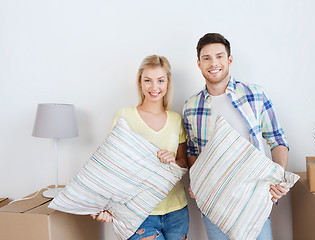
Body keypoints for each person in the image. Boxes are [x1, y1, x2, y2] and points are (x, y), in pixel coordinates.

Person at [183, 33, 289, 240]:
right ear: (199, 64)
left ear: (229, 60)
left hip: (255, 199)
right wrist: (197, 182)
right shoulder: (191, 106)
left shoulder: (255, 94)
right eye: (206, 58)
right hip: (214, 203)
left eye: (219, 56)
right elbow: (193, 152)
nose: (213, 63)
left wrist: (279, 177)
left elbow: (277, 139)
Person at [92, 55, 189, 240]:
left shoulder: (176, 119)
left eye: (160, 80)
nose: (154, 87)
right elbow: (110, 165)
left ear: (167, 83)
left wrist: (173, 161)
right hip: (138, 214)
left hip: (177, 211)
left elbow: (184, 163)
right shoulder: (124, 116)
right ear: (140, 83)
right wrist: (103, 204)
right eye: (148, 80)